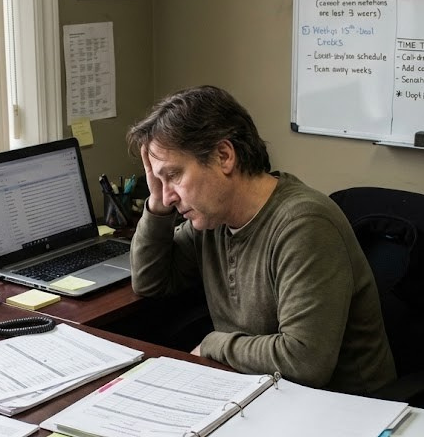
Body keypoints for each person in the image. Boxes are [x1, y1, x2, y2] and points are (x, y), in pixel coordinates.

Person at [127, 85, 396, 394]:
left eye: (174, 175)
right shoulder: (213, 220)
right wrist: (157, 203)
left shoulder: (304, 225)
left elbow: (304, 362)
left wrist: (213, 344)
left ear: (224, 156)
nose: (169, 195)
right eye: (159, 180)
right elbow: (150, 282)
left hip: (345, 410)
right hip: (260, 391)